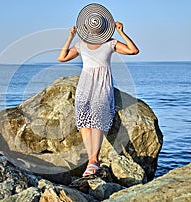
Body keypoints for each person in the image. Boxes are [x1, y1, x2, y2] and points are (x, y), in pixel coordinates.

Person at [58, 3, 139, 177]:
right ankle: (92, 160)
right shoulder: (81, 44)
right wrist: (70, 37)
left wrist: (122, 32)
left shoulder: (111, 43)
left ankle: (94, 160)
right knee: (84, 122)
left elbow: (134, 51)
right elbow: (62, 58)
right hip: (85, 85)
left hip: (102, 84)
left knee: (98, 121)